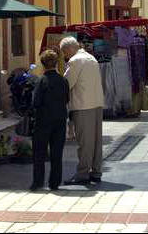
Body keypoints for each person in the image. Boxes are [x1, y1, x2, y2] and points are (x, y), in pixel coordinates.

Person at [60, 36, 105, 185]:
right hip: (97, 103)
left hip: (83, 105)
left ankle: (83, 173)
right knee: (96, 141)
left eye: (64, 53)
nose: (65, 56)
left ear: (69, 49)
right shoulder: (91, 57)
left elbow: (66, 84)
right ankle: (96, 172)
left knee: (85, 142)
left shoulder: (75, 61)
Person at [30, 49, 70, 191]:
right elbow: (67, 99)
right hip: (60, 119)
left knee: (39, 153)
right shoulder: (63, 80)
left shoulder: (41, 80)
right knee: (57, 153)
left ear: (43, 64)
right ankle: (54, 182)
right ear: (56, 63)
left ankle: (38, 182)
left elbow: (36, 102)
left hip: (43, 120)